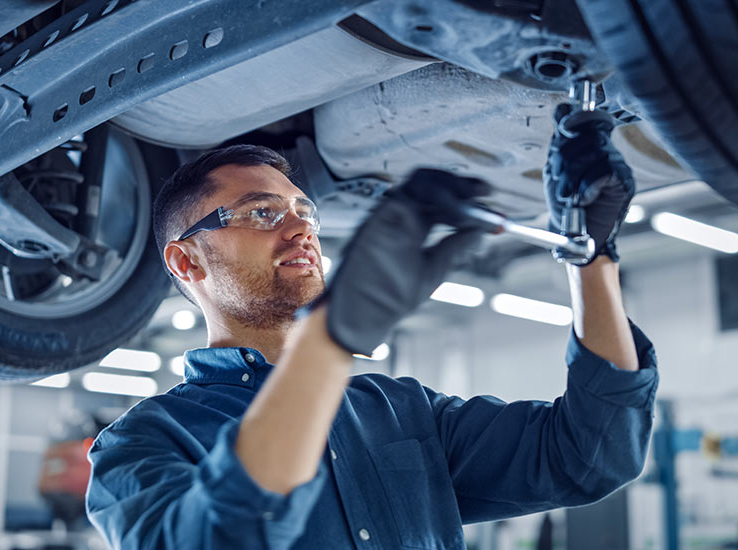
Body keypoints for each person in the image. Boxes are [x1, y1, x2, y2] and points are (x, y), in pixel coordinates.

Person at [85, 107, 658, 549]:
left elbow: (591, 455)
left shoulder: (400, 411)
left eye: (305, 213)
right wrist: (329, 340)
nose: (300, 230)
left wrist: (592, 257)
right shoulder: (140, 444)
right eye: (262, 213)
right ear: (186, 262)